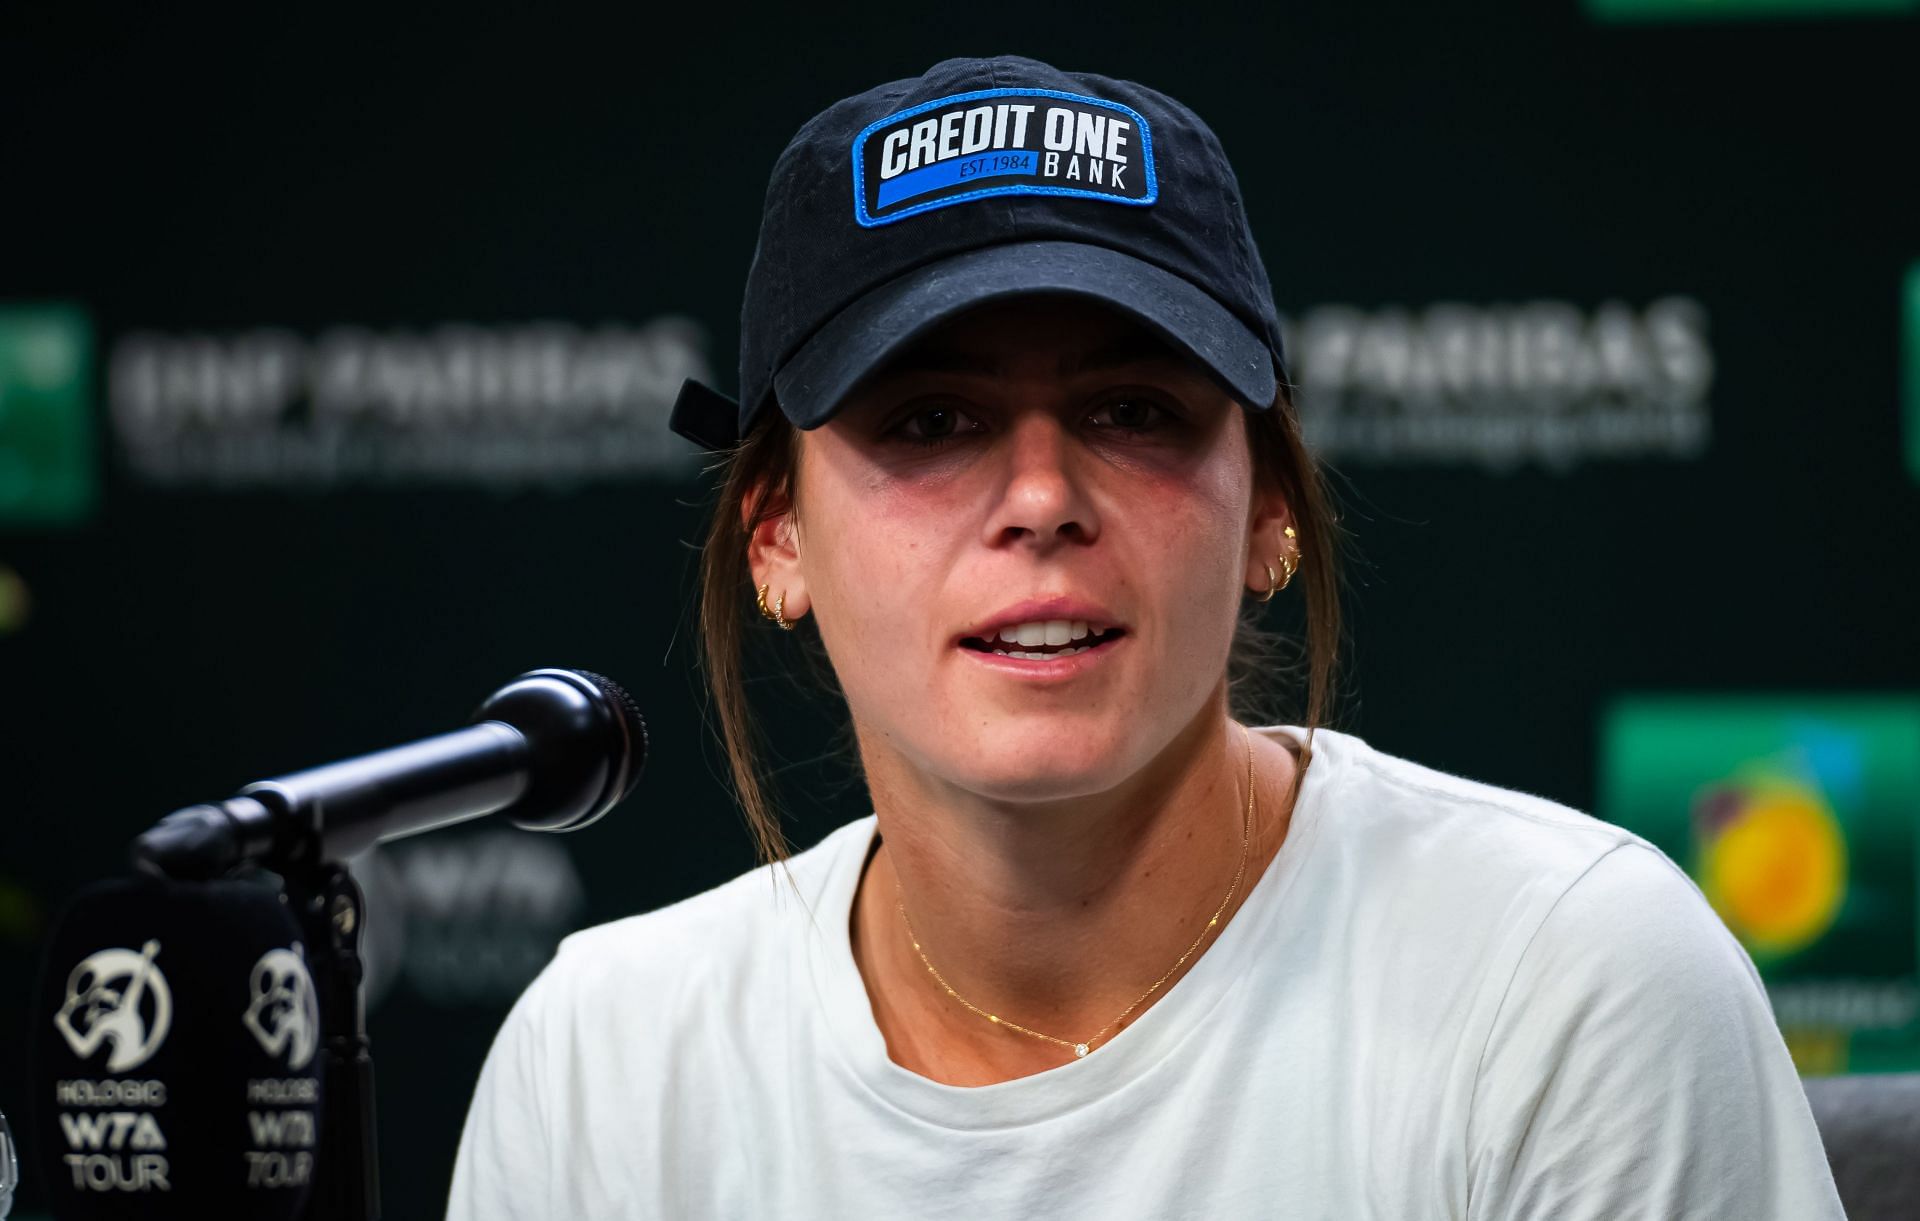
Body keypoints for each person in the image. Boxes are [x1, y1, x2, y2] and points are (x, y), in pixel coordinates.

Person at [447, 55, 1843, 1219]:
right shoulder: (603, 1071)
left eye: (1134, 410)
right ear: (776, 538)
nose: (1043, 498)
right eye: (931, 420)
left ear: (1270, 514)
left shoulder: (1565, 980)